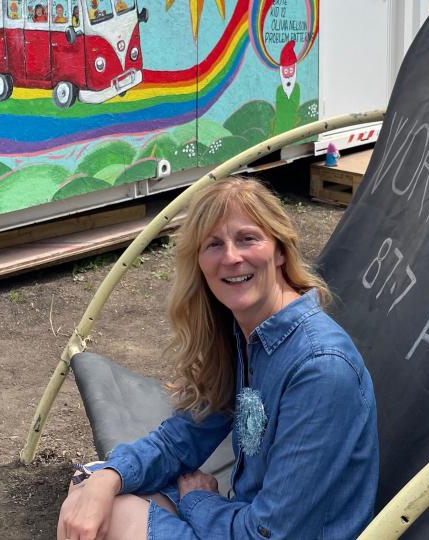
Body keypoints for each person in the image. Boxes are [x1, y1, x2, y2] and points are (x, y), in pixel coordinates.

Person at [57, 177, 379, 539]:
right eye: (214, 244)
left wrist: (197, 502)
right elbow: (181, 439)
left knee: (111, 516)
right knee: (90, 488)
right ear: (199, 263)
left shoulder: (320, 368)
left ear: (280, 251)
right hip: (243, 518)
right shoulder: (244, 336)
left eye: (247, 239)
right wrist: (108, 478)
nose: (231, 257)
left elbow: (270, 533)